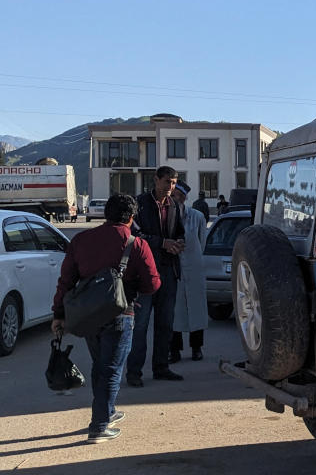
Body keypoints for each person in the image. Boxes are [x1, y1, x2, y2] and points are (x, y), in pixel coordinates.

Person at [51, 194, 160, 442]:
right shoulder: (136, 244)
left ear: (106, 214)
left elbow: (65, 281)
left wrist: (58, 314)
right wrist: (132, 287)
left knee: (100, 365)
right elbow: (153, 284)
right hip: (121, 313)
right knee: (111, 369)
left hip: (89, 316)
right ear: (131, 218)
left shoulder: (81, 240)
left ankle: (107, 412)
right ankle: (99, 426)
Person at [127, 166, 185, 385]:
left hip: (169, 271)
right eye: (167, 181)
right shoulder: (139, 204)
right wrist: (162, 243)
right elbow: (134, 235)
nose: (170, 186)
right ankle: (134, 372)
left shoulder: (175, 206)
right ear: (156, 180)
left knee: (165, 323)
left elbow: (180, 232)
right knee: (140, 325)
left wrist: (179, 243)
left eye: (174, 183)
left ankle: (161, 367)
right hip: (144, 273)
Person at [170, 181, 208, 362]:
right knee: (174, 311)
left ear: (184, 198)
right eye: (172, 195)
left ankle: (196, 348)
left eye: (178, 195)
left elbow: (202, 242)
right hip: (174, 269)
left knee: (197, 309)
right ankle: (174, 350)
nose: (175, 199)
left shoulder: (197, 217)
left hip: (194, 268)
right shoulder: (165, 217)